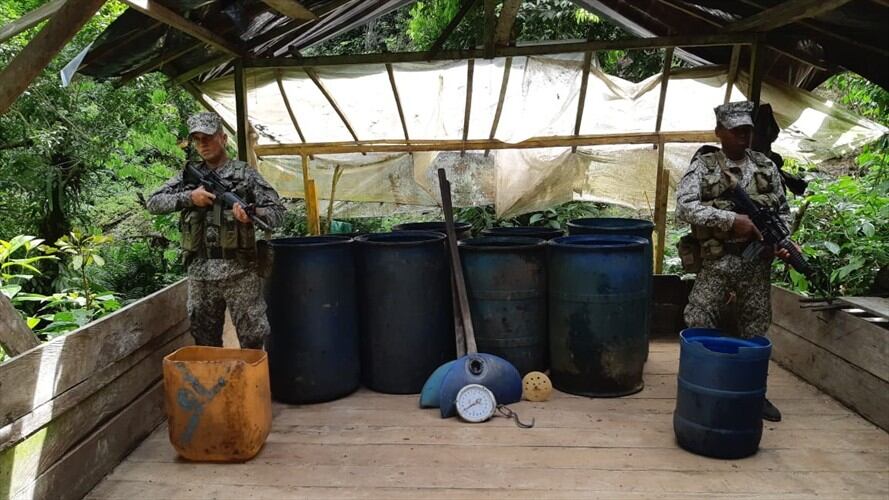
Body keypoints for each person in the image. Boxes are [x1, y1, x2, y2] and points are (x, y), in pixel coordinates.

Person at [675, 101, 795, 422]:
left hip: (756, 264)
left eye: (747, 130)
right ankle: (699, 388)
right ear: (719, 132)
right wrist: (731, 220)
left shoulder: (765, 167)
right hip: (718, 260)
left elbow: (784, 213)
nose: (743, 136)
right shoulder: (705, 166)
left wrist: (778, 241)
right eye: (736, 130)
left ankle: (754, 394)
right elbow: (684, 207)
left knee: (755, 328)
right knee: (699, 320)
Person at [147, 112, 285, 349]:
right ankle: (213, 386)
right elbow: (153, 203)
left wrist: (254, 213)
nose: (203, 144)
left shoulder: (245, 174)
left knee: (252, 338)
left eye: (208, 137)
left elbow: (278, 213)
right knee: (205, 342)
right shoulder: (188, 175)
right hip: (201, 275)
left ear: (223, 138)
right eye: (198, 139)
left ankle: (249, 385)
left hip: (240, 272)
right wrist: (190, 197)